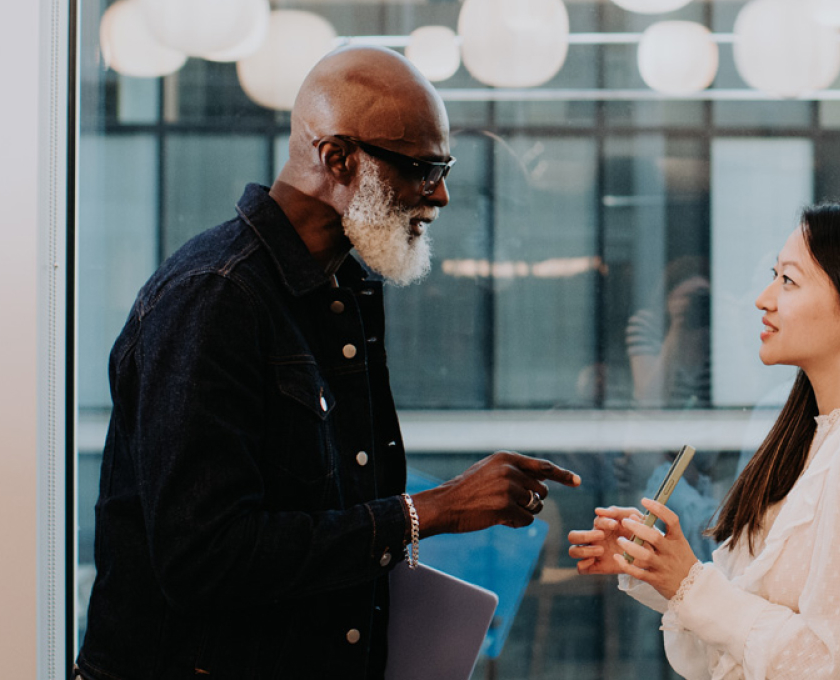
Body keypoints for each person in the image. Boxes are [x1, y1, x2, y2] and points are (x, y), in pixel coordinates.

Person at [75, 47, 580, 680]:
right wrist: (431, 511)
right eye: (423, 167)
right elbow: (204, 560)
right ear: (337, 160)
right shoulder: (215, 296)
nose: (442, 195)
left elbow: (332, 525)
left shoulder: (346, 289)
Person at [567, 198, 840, 680]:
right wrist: (654, 568)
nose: (763, 299)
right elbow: (741, 631)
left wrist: (690, 584)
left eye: (788, 280)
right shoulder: (815, 435)